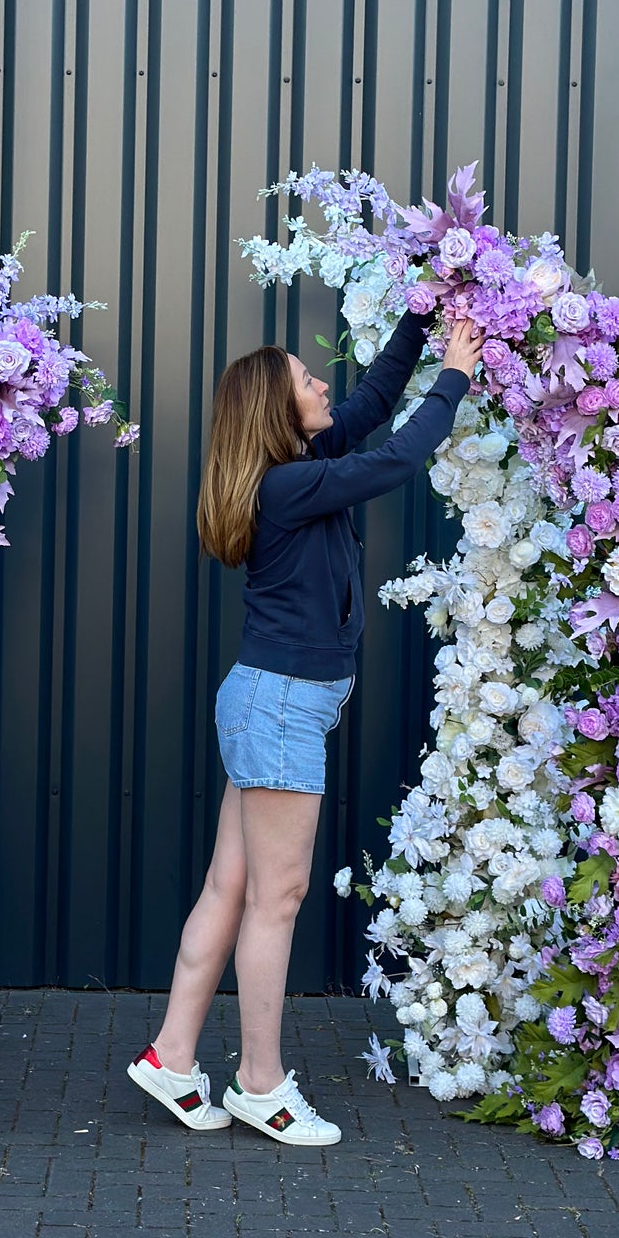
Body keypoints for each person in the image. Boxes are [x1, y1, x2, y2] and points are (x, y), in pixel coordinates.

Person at [127, 306, 486, 1144]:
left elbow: (367, 406)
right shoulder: (288, 485)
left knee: (232, 886)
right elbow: (397, 452)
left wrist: (417, 321)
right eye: (305, 378)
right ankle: (259, 1082)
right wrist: (457, 372)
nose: (321, 382)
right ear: (276, 409)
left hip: (269, 699)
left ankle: (172, 1055)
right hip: (280, 703)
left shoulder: (295, 463)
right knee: (275, 898)